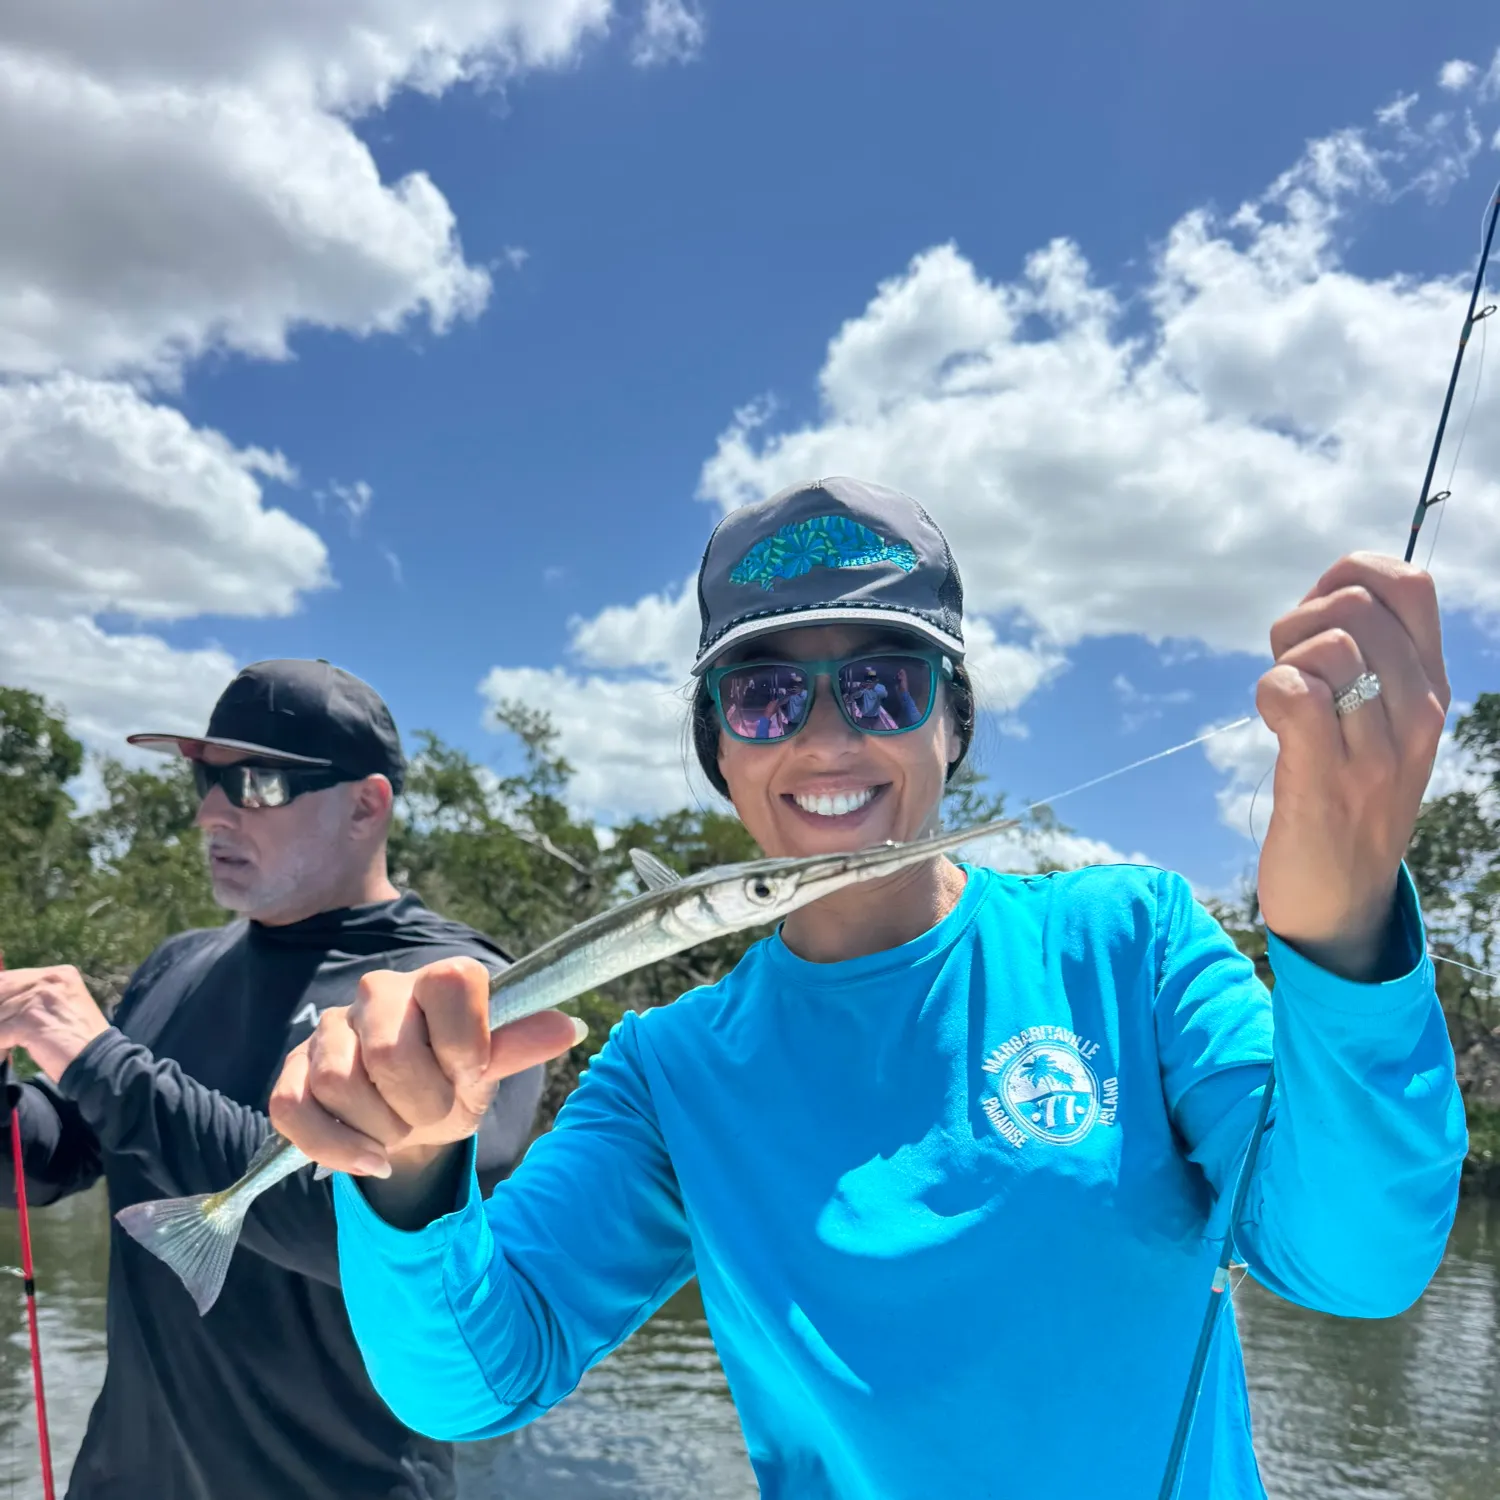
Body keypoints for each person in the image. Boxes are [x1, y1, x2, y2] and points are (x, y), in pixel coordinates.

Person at [271, 479, 1466, 1499]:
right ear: (720, 748)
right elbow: (474, 1382)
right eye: (764, 697)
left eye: (886, 686)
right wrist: (410, 1169)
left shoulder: (1130, 941)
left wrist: (1343, 928)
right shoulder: (666, 1071)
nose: (828, 740)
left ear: (953, 722)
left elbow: (1356, 1262)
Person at [0, 660, 557, 1500]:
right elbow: (50, 1160)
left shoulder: (452, 989)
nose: (210, 813)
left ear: (366, 805)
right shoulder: (179, 963)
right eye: (205, 779)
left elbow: (365, 1241)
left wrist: (103, 1062)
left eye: (255, 783)